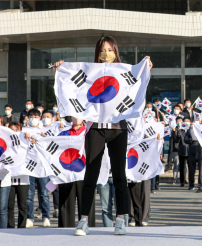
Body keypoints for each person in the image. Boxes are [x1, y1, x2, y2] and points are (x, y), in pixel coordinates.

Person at [53, 35, 153, 236]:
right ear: (97, 52)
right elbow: (74, 89)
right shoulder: (89, 72)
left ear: (116, 51)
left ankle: (121, 219)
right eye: (102, 50)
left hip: (118, 128)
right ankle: (83, 221)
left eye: (110, 50)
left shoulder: (125, 71)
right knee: (91, 174)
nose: (106, 53)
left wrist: (146, 66)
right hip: (95, 128)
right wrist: (62, 70)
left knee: (119, 176)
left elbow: (137, 85)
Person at [22, 109, 52, 228]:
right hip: (28, 167)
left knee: (44, 193)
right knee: (29, 195)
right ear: (28, 118)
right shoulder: (24, 130)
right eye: (31, 116)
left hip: (42, 166)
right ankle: (29, 217)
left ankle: (46, 217)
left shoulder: (45, 130)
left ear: (40, 117)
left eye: (36, 116)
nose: (33, 118)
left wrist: (44, 137)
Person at [5, 122, 30, 228]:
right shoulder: (5, 141)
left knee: (22, 205)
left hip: (23, 179)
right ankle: (10, 226)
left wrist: (29, 139)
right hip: (8, 178)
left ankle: (22, 226)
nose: (13, 133)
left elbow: (33, 150)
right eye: (10, 130)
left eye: (15, 130)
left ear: (20, 130)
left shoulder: (25, 139)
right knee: (9, 205)